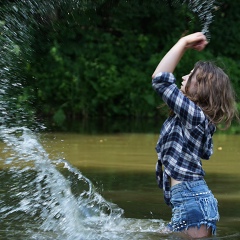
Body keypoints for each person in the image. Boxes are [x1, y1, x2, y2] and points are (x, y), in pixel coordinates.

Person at [151, 32, 238, 239]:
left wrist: (182, 43)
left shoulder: (195, 117)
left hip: (193, 203)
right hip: (191, 203)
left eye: (189, 75)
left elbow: (160, 80)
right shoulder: (192, 118)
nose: (183, 77)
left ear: (203, 87)